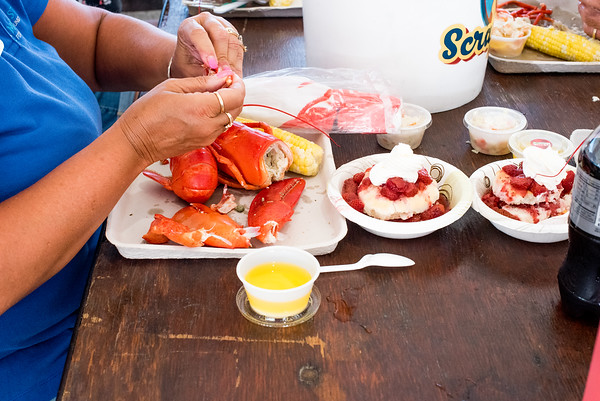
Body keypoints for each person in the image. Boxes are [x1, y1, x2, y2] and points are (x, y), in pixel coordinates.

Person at [0, 0, 246, 400]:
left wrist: (177, 59)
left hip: (110, 275)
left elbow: (94, 39)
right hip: (45, 364)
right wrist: (134, 143)